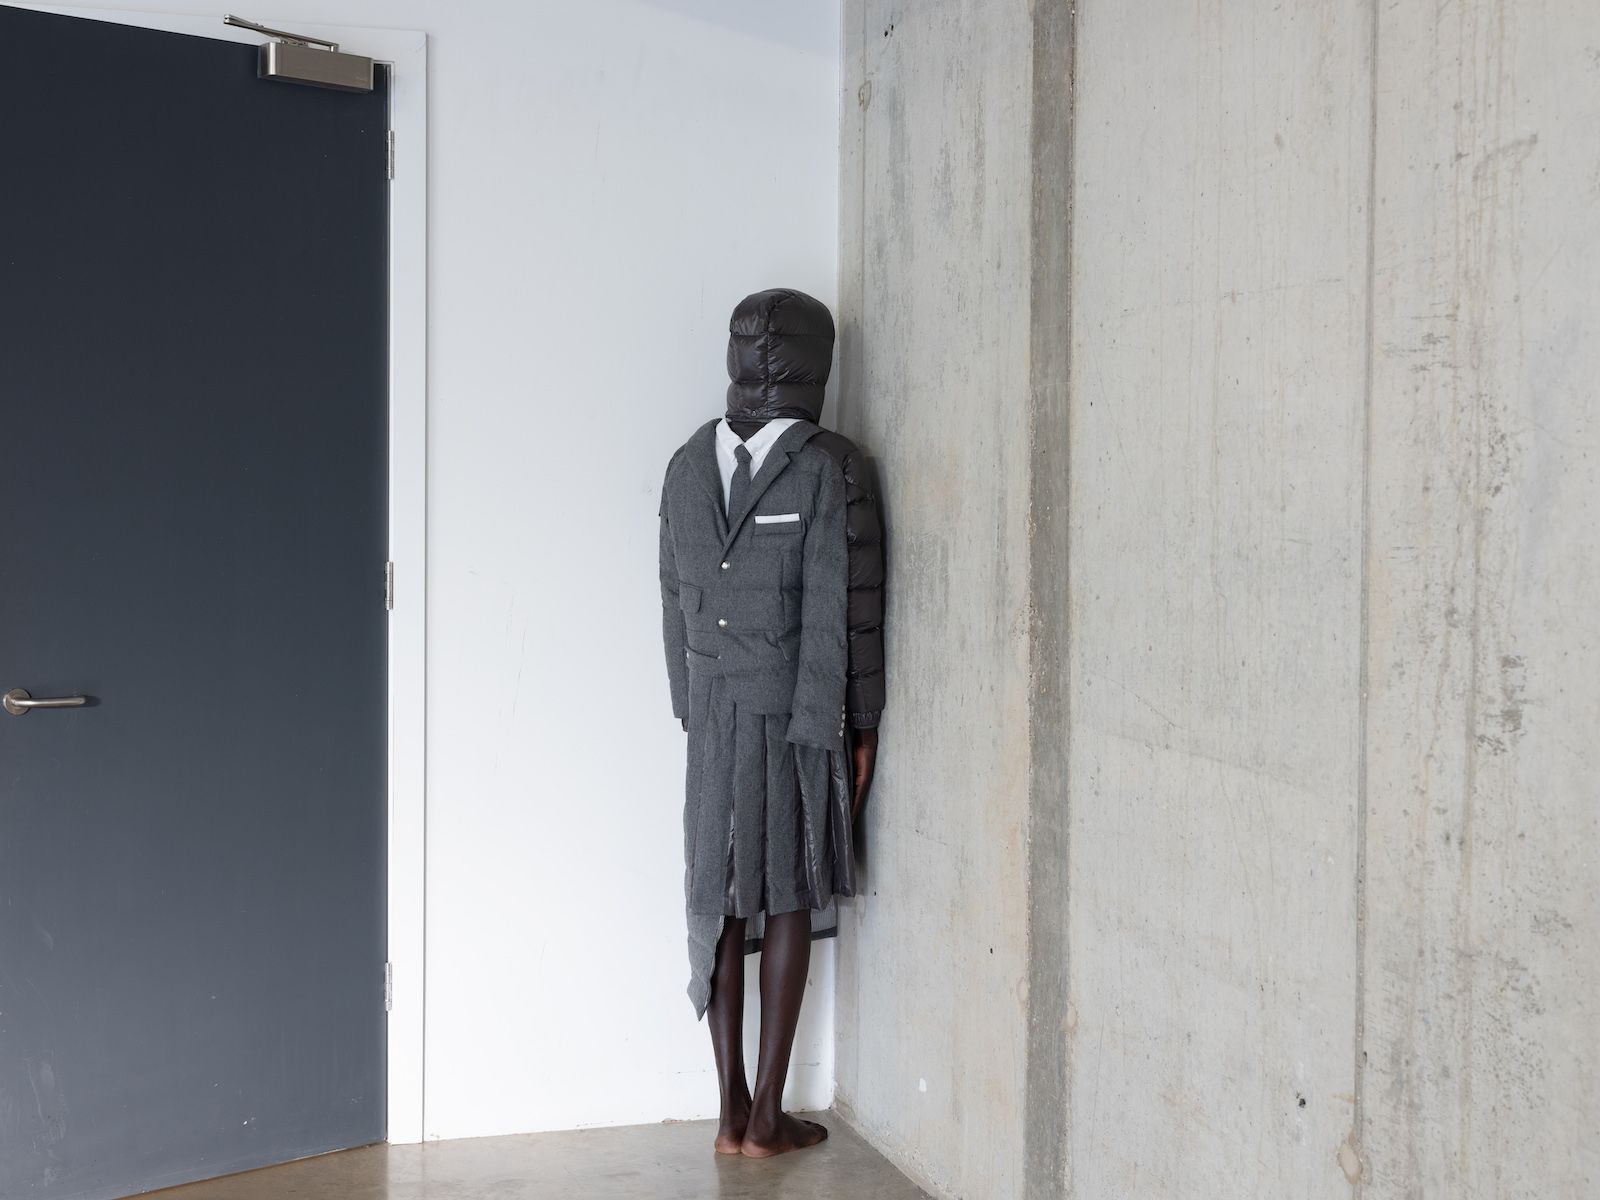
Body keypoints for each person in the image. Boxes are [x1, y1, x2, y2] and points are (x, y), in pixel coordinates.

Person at [657, 288, 885, 1156]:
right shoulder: (833, 467)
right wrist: (858, 723)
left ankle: (729, 1114)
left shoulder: (685, 463)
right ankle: (762, 1121)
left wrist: (694, 704)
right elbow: (847, 609)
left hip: (713, 718)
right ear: (813, 364)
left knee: (716, 897)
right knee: (783, 895)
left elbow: (672, 607)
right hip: (797, 715)